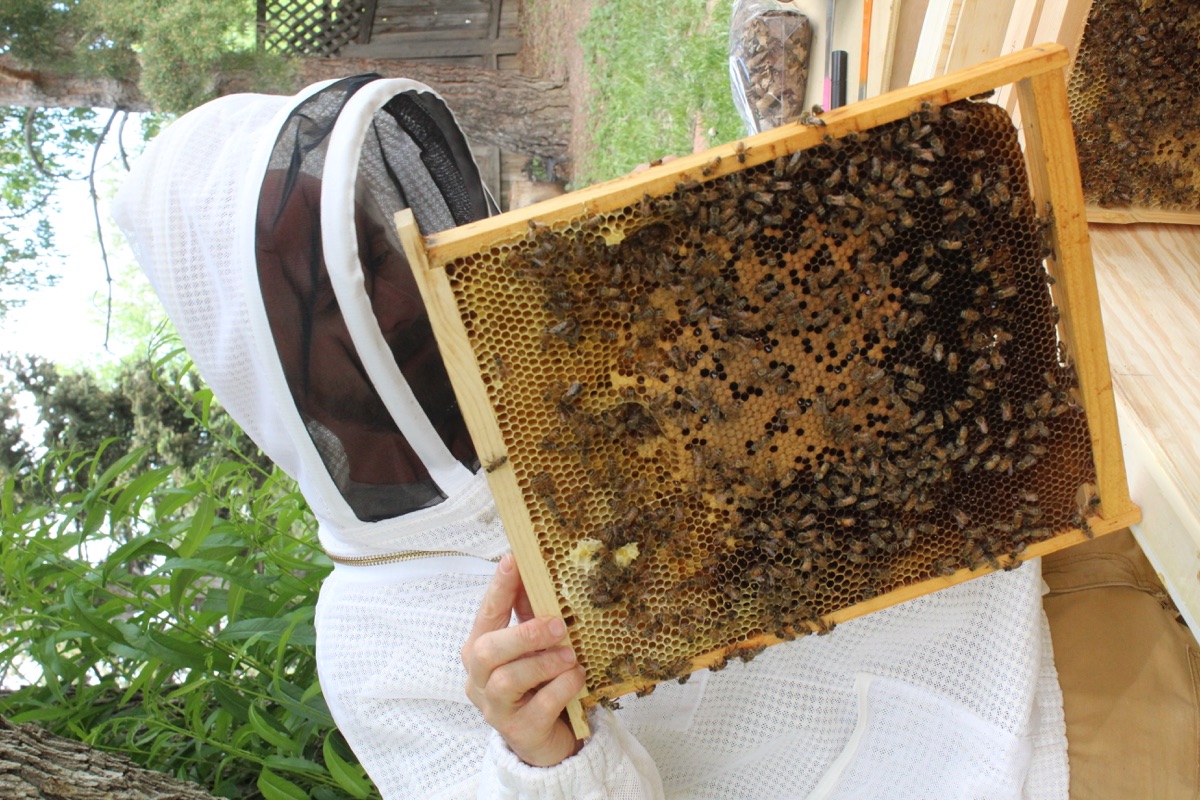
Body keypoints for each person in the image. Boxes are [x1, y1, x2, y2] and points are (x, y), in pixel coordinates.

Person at [114, 75, 1069, 798]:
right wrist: (542, 759)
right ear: (265, 372)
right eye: (323, 302)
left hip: (1059, 594)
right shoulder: (370, 644)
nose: (388, 301)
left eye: (372, 257)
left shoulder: (582, 365)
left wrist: (736, 250)